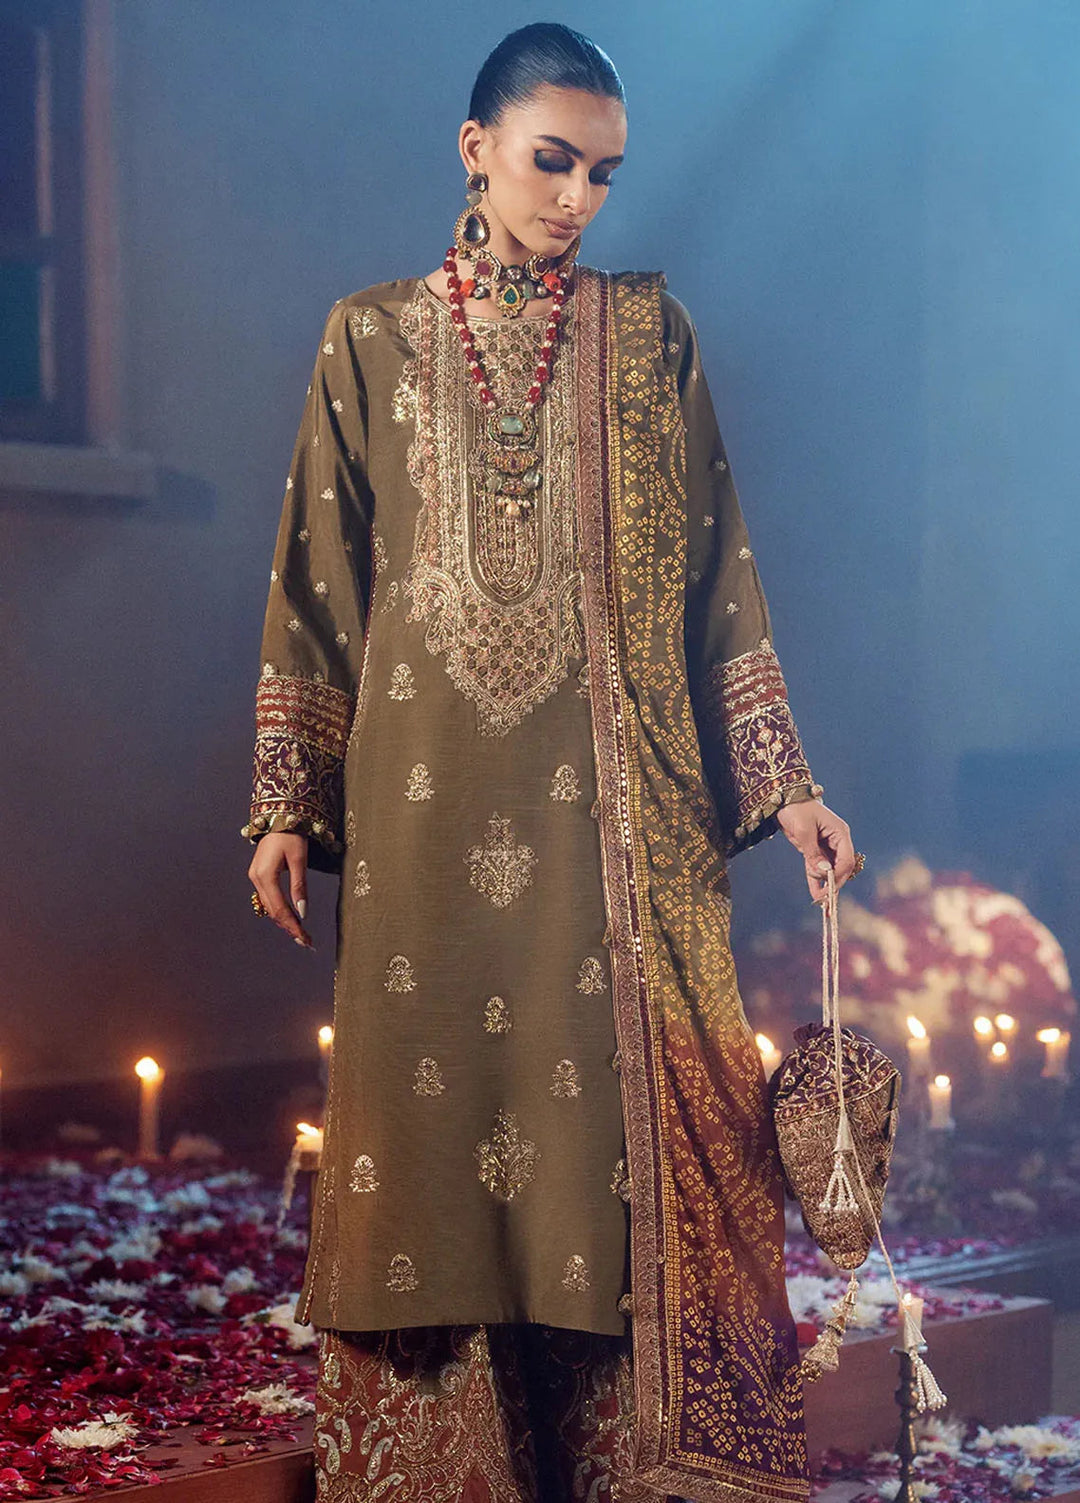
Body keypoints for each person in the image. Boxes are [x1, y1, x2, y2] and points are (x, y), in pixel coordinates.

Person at [243, 22, 857, 1503]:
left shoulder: (652, 338)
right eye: (552, 160)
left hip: (615, 821)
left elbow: (718, 577)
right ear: (477, 151)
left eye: (605, 173)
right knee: (433, 1134)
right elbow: (321, 582)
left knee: (607, 1147)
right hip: (423, 809)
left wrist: (785, 783)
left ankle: (635, 1462)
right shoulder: (367, 337)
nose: (579, 197)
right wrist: (284, 800)